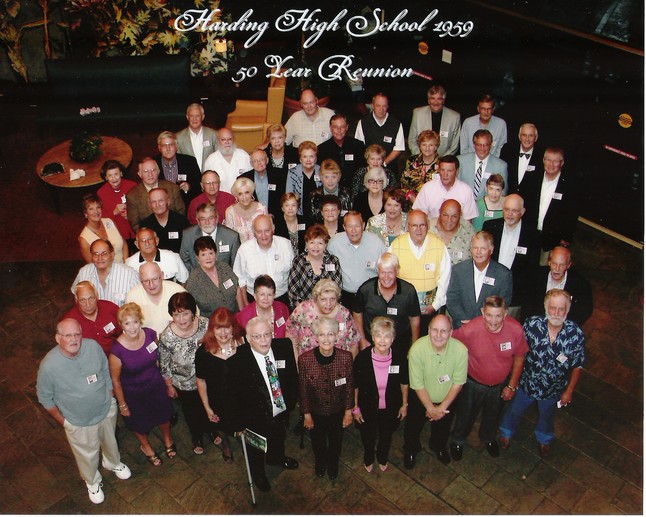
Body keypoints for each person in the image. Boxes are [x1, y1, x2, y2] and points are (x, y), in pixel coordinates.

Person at [37, 318, 131, 504]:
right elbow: (45, 398)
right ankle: (92, 481)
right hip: (78, 421)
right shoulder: (49, 366)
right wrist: (64, 422)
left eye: (77, 334)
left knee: (110, 440)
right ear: (58, 338)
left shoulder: (92, 346)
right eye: (68, 335)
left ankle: (112, 463)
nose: (74, 339)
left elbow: (104, 368)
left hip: (105, 409)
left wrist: (110, 394)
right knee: (86, 454)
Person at [499, 289, 585, 457]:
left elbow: (578, 365)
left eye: (561, 309)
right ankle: (506, 432)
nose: (557, 313)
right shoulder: (532, 325)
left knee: (547, 416)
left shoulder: (575, 334)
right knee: (514, 410)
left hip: (553, 389)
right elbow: (518, 353)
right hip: (526, 384)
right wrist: (512, 382)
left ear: (567, 310)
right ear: (546, 307)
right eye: (553, 308)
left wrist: (569, 391)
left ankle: (544, 439)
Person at [449, 296, 528, 460]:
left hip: (499, 385)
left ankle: (488, 437)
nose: (493, 321)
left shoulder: (515, 330)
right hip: (473, 384)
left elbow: (520, 357)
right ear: (482, 313)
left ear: (505, 314)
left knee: (494, 415)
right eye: (489, 315)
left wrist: (511, 386)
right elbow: (451, 342)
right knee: (465, 415)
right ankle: (457, 440)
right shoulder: (471, 329)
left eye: (498, 315)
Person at [228, 317, 299, 492]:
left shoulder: (284, 347)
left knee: (278, 439)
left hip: (281, 412)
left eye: (267, 334)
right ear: (248, 338)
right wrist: (238, 424)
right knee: (256, 450)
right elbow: (231, 397)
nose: (263, 340)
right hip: (254, 419)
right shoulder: (236, 362)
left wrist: (289, 404)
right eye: (257, 336)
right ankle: (259, 475)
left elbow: (292, 378)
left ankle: (276, 458)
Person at [109, 303, 175, 467]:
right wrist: (123, 405)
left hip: (155, 387)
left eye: (135, 322)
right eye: (127, 323)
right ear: (121, 325)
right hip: (134, 395)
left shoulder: (151, 335)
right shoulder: (117, 351)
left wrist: (166, 384)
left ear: (140, 321)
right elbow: (116, 380)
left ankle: (167, 438)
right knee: (139, 424)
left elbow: (158, 360)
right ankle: (146, 446)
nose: (132, 327)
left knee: (164, 416)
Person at [403, 314, 467, 468]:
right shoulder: (417, 349)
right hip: (420, 398)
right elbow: (417, 384)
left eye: (443, 331)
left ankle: (438, 447)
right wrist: (431, 408)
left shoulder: (461, 350)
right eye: (435, 330)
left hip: (447, 400)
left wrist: (441, 408)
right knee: (413, 427)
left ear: (451, 333)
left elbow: (458, 383)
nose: (438, 335)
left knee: (443, 429)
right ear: (428, 330)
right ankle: (411, 450)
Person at [299, 316, 355, 480]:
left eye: (330, 334)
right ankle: (320, 462)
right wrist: (307, 415)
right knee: (318, 441)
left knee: (336, 441)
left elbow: (349, 387)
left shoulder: (346, 358)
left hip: (338, 411)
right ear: (316, 336)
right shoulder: (305, 360)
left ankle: (333, 463)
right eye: (322, 334)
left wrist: (348, 412)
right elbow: (303, 389)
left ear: (337, 335)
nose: (326, 339)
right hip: (316, 411)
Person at [352, 317, 409, 472]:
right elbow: (355, 385)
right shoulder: (362, 359)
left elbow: (404, 382)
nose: (382, 340)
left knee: (386, 436)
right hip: (367, 408)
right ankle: (369, 456)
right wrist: (355, 407)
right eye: (378, 335)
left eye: (387, 336)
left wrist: (404, 405)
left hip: (390, 408)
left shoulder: (399, 358)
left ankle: (382, 457)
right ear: (372, 336)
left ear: (393, 338)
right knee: (368, 436)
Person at [158, 292, 210, 456]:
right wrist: (169, 386)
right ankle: (197, 436)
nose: (181, 319)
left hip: (207, 379)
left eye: (185, 313)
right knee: (191, 411)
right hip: (184, 383)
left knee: (208, 405)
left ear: (193, 312)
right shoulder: (167, 336)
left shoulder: (205, 324)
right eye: (176, 314)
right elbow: (164, 363)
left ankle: (212, 429)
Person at [195, 308, 245, 459]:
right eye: (218, 328)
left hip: (240, 398)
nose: (223, 333)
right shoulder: (203, 352)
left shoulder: (243, 344)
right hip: (218, 400)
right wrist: (207, 408)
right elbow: (201, 380)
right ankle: (225, 445)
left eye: (227, 328)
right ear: (212, 329)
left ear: (233, 327)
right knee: (221, 426)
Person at [483, 193, 541, 317]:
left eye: (514, 211)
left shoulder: (532, 235)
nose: (509, 214)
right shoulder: (490, 227)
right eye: (507, 209)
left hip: (514, 297)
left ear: (523, 212)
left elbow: (532, 270)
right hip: (489, 291)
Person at [388, 210, 452, 322]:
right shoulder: (396, 245)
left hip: (429, 310)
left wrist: (435, 305)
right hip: (403, 309)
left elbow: (445, 279)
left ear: (428, 225)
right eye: (414, 226)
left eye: (422, 225)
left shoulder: (439, 245)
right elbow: (388, 276)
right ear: (408, 227)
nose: (419, 230)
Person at [353, 252, 421, 355]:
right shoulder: (366, 290)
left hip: (400, 344)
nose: (386, 277)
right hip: (372, 344)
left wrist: (414, 345)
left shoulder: (409, 291)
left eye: (390, 272)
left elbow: (415, 319)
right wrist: (362, 339)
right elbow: (357, 313)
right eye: (383, 272)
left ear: (397, 271)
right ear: (377, 271)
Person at [518, 147, 578, 261]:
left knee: (543, 269)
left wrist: (566, 237)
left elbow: (572, 214)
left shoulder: (569, 185)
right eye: (548, 160)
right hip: (529, 233)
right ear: (543, 160)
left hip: (551, 239)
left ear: (562, 163)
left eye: (556, 161)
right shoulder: (532, 177)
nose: (551, 164)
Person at [446, 231, 513, 329]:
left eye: (483, 248)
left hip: (489, 328)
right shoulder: (458, 270)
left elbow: (503, 303)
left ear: (491, 250)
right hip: (463, 326)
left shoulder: (503, 274)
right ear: (471, 249)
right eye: (475, 248)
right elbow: (452, 299)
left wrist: (481, 323)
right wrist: (466, 321)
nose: (478, 252)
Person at [286, 278, 361, 359]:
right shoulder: (303, 310)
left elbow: (354, 344)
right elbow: (290, 338)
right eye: (323, 299)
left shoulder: (344, 314)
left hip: (338, 366)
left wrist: (347, 368)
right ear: (315, 298)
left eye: (332, 299)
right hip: (308, 365)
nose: (328, 304)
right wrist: (297, 365)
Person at [327, 211, 387, 309]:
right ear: (344, 227)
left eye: (357, 226)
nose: (353, 231)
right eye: (349, 226)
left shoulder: (376, 243)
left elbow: (384, 269)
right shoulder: (334, 243)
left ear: (363, 225)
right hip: (344, 297)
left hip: (371, 295)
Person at [233, 214, 295, 306]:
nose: (263, 235)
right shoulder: (244, 250)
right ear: (254, 232)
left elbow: (293, 273)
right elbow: (241, 280)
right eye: (259, 232)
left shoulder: (286, 245)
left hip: (282, 299)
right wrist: (246, 305)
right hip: (254, 301)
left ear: (273, 229)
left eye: (267, 231)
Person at [522, 246, 593, 325]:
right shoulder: (535, 276)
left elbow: (585, 311)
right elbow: (526, 305)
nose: (557, 269)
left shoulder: (581, 284)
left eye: (561, 265)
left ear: (568, 265)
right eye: (554, 264)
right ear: (549, 262)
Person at [71, 239, 140, 307]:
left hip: (121, 317)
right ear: (91, 256)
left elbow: (141, 302)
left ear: (112, 255)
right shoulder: (84, 272)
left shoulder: (129, 275)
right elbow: (76, 298)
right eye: (96, 254)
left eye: (104, 253)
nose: (100, 258)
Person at [185, 236, 241, 317]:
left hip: (235, 317)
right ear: (198, 258)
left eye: (211, 253)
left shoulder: (224, 267)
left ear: (216, 254)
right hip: (211, 324)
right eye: (203, 254)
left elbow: (237, 290)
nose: (208, 258)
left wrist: (242, 314)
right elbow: (192, 308)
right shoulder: (194, 280)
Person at [126, 157, 185, 233]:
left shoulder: (173, 188)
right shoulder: (132, 196)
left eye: (153, 170)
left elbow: (181, 214)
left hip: (173, 233)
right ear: (139, 174)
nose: (150, 174)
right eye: (146, 171)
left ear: (158, 171)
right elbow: (135, 224)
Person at [125, 262, 186, 334]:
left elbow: (193, 318)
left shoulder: (178, 291)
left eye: (154, 279)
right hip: (147, 343)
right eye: (146, 281)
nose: (151, 285)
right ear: (140, 281)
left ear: (162, 276)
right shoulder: (132, 297)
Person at [63, 281, 121, 356]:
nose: (88, 304)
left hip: (116, 357)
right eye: (82, 300)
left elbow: (125, 333)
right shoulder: (69, 321)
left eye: (91, 298)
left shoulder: (111, 309)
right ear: (76, 300)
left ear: (97, 296)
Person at [412, 155, 479, 221]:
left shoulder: (466, 191)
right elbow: (418, 214)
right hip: (432, 229)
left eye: (449, 171)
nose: (445, 174)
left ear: (457, 172)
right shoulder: (427, 188)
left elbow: (468, 221)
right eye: (442, 170)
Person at [180, 202, 240, 271]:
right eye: (203, 219)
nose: (207, 222)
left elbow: (236, 266)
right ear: (198, 221)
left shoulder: (231, 237)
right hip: (197, 278)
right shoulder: (188, 235)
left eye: (211, 218)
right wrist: (196, 277)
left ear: (217, 219)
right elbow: (184, 261)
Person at [354, 93, 405, 172]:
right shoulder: (363, 123)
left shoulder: (396, 124)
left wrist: (383, 163)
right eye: (378, 105)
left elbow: (399, 148)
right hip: (368, 169)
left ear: (388, 106)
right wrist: (372, 164)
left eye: (384, 106)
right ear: (372, 106)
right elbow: (359, 147)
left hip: (389, 169)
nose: (381, 109)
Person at [408, 85, 461, 156]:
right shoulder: (417, 113)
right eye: (432, 98)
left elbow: (455, 145)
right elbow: (412, 140)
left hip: (444, 161)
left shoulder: (454, 117)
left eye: (439, 99)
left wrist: (442, 161)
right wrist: (421, 158)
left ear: (443, 100)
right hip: (420, 159)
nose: (436, 102)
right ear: (428, 100)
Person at [317, 113, 367, 188]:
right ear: (330, 128)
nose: (339, 130)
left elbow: (363, 170)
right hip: (332, 189)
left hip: (355, 188)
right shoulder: (322, 149)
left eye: (342, 127)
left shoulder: (358, 145)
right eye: (335, 127)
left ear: (347, 127)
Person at [457, 129, 509, 199]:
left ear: (490, 145)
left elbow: (503, 194)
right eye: (479, 145)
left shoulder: (501, 166)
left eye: (486, 145)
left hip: (487, 208)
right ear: (474, 145)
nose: (482, 148)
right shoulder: (460, 161)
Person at [154, 130, 202, 203]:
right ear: (159, 148)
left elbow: (199, 185)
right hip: (159, 207)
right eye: (164, 145)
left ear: (176, 146)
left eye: (171, 145)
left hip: (184, 207)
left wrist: (189, 187)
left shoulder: (190, 161)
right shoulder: (153, 163)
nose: (168, 148)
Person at [79, 193, 128, 264]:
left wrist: (126, 264)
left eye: (98, 207)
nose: (96, 211)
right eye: (91, 209)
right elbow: (92, 266)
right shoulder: (84, 239)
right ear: (85, 213)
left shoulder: (110, 221)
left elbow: (124, 245)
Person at [139, 187, 189, 254]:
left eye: (161, 201)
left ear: (168, 201)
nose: (157, 205)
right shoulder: (145, 225)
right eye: (154, 202)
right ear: (149, 204)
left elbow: (188, 249)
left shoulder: (181, 221)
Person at [97, 159, 137, 242]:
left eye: (116, 174)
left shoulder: (132, 186)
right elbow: (100, 217)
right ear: (106, 177)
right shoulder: (101, 193)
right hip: (117, 232)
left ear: (121, 174)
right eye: (110, 175)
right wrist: (114, 212)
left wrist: (131, 214)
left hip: (135, 228)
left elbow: (142, 206)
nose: (114, 178)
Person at [202, 128, 251, 194]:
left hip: (242, 201)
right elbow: (206, 186)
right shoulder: (211, 160)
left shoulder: (244, 156)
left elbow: (251, 180)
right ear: (218, 141)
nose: (227, 142)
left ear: (233, 140)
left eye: (229, 139)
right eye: (223, 139)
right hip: (221, 201)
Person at [429, 199, 475, 265]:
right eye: (445, 215)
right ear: (439, 212)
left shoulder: (469, 230)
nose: (449, 220)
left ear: (460, 215)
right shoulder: (427, 228)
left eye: (454, 216)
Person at [500, 122, 543, 193]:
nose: (527, 139)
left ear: (536, 138)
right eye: (524, 135)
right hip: (509, 199)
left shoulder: (541, 156)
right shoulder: (507, 150)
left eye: (531, 136)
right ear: (519, 136)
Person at [240, 149, 286, 214]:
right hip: (252, 219)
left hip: (275, 218)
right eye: (255, 161)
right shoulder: (244, 179)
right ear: (251, 163)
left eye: (261, 159)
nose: (259, 163)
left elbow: (284, 198)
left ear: (267, 160)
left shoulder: (279, 175)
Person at [176, 102, 219, 171]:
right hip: (190, 178)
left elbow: (218, 158)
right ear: (187, 117)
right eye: (191, 116)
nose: (194, 119)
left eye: (197, 116)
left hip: (209, 177)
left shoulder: (213, 135)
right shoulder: (178, 138)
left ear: (203, 117)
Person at [401, 130, 441, 203]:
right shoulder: (411, 161)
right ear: (420, 146)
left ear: (436, 147)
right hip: (412, 204)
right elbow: (404, 184)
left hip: (435, 205)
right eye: (424, 145)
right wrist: (411, 196)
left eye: (431, 145)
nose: (427, 148)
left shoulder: (443, 163)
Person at [224, 177, 268, 243]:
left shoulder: (262, 209)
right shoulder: (230, 212)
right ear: (236, 196)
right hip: (239, 251)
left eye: (247, 192)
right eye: (240, 194)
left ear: (252, 193)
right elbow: (229, 238)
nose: (244, 197)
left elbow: (267, 233)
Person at [309, 159, 352, 224]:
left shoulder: (348, 194)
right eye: (326, 177)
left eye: (334, 177)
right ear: (321, 177)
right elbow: (312, 220)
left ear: (339, 177)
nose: (330, 181)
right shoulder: (313, 195)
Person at [285, 140, 321, 216]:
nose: (308, 160)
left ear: (316, 158)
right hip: (300, 214)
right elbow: (289, 196)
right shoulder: (293, 173)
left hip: (320, 215)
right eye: (305, 157)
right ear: (300, 159)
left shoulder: (321, 171)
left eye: (311, 156)